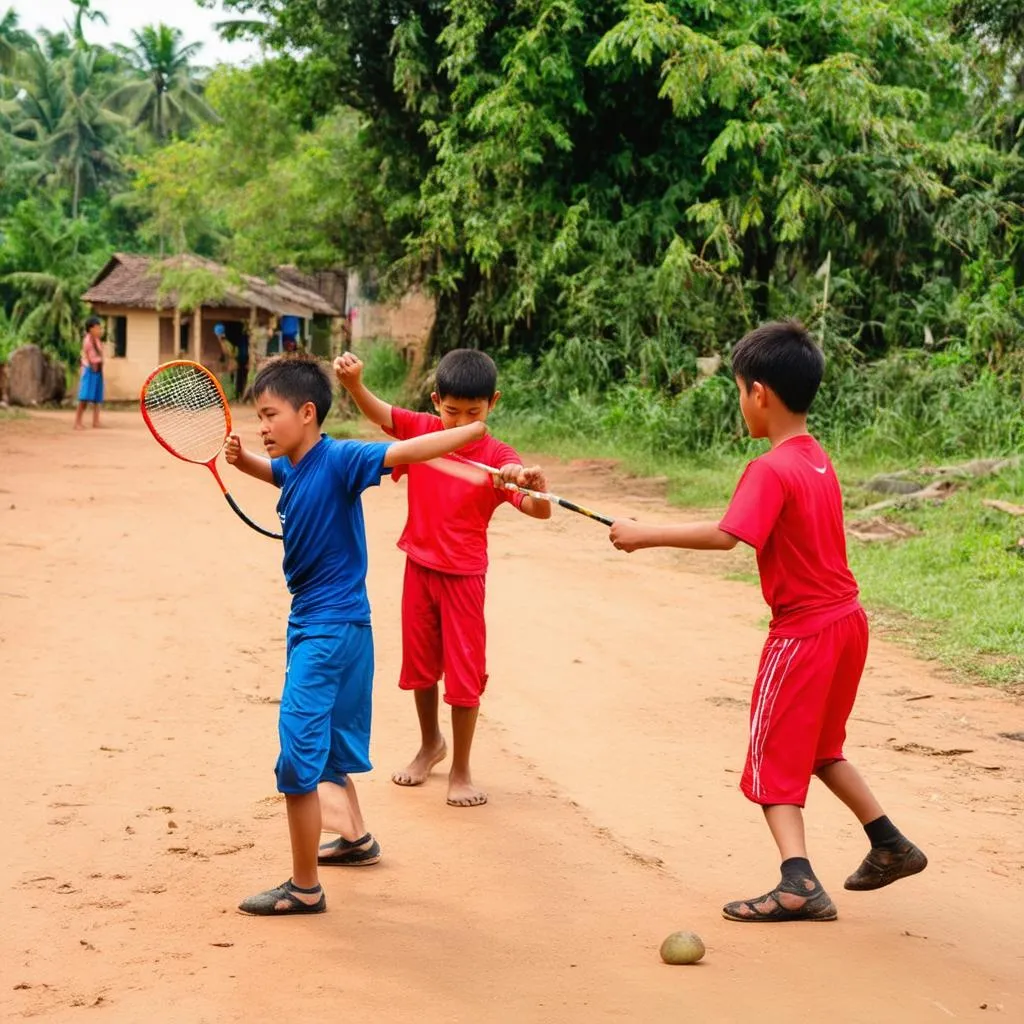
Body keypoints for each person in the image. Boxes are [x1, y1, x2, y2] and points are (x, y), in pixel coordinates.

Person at [608, 320, 927, 922]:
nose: (740, 404)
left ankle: (797, 883)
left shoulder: (769, 468)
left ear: (758, 393)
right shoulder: (816, 459)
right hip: (847, 624)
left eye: (737, 391)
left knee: (773, 754)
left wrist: (643, 534)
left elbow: (729, 535)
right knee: (821, 747)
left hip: (803, 633)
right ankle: (889, 843)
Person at [224, 354, 486, 916]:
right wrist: (242, 458)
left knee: (298, 755)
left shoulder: (340, 458)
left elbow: (404, 451)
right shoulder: (294, 463)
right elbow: (277, 475)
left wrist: (464, 432)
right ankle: (356, 839)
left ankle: (303, 888)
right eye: (259, 417)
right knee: (332, 750)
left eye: (270, 416)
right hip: (346, 632)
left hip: (326, 634)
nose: (262, 427)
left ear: (309, 413)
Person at [336, 348, 551, 808]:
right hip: (419, 567)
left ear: (493, 403)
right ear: (436, 401)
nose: (459, 422)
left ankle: (462, 770)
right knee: (419, 669)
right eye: (452, 411)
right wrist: (355, 385)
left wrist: (532, 488)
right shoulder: (422, 432)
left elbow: (539, 511)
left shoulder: (499, 458)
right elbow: (383, 414)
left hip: (465, 580)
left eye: (473, 412)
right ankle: (430, 744)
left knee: (464, 675)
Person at [74, 316, 105, 430]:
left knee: (97, 397)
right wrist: (95, 363)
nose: (99, 331)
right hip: (89, 370)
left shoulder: (97, 341)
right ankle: (77, 422)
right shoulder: (87, 341)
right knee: (84, 397)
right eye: (97, 328)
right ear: (91, 329)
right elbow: (88, 357)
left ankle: (96, 421)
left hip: (98, 370)